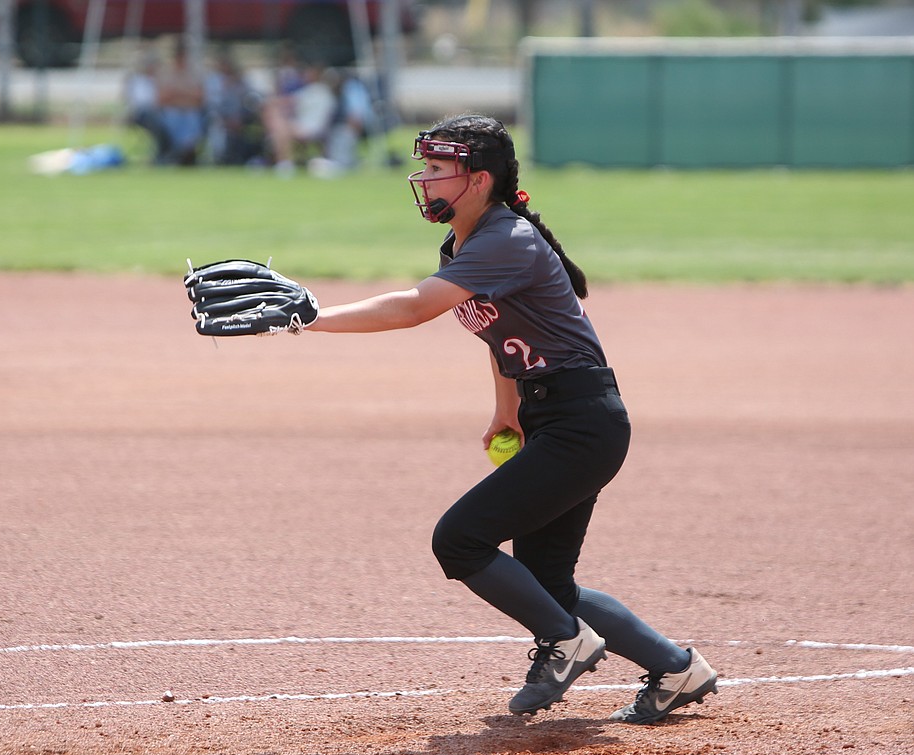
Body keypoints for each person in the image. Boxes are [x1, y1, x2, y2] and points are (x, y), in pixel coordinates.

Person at [304, 114, 719, 724]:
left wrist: (307, 315)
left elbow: (413, 308)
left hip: (583, 421)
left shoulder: (507, 239)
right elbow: (499, 334)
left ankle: (565, 641)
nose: (426, 180)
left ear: (478, 180)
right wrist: (507, 410)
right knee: (548, 582)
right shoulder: (467, 244)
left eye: (438, 170)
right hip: (558, 418)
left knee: (460, 539)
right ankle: (677, 668)